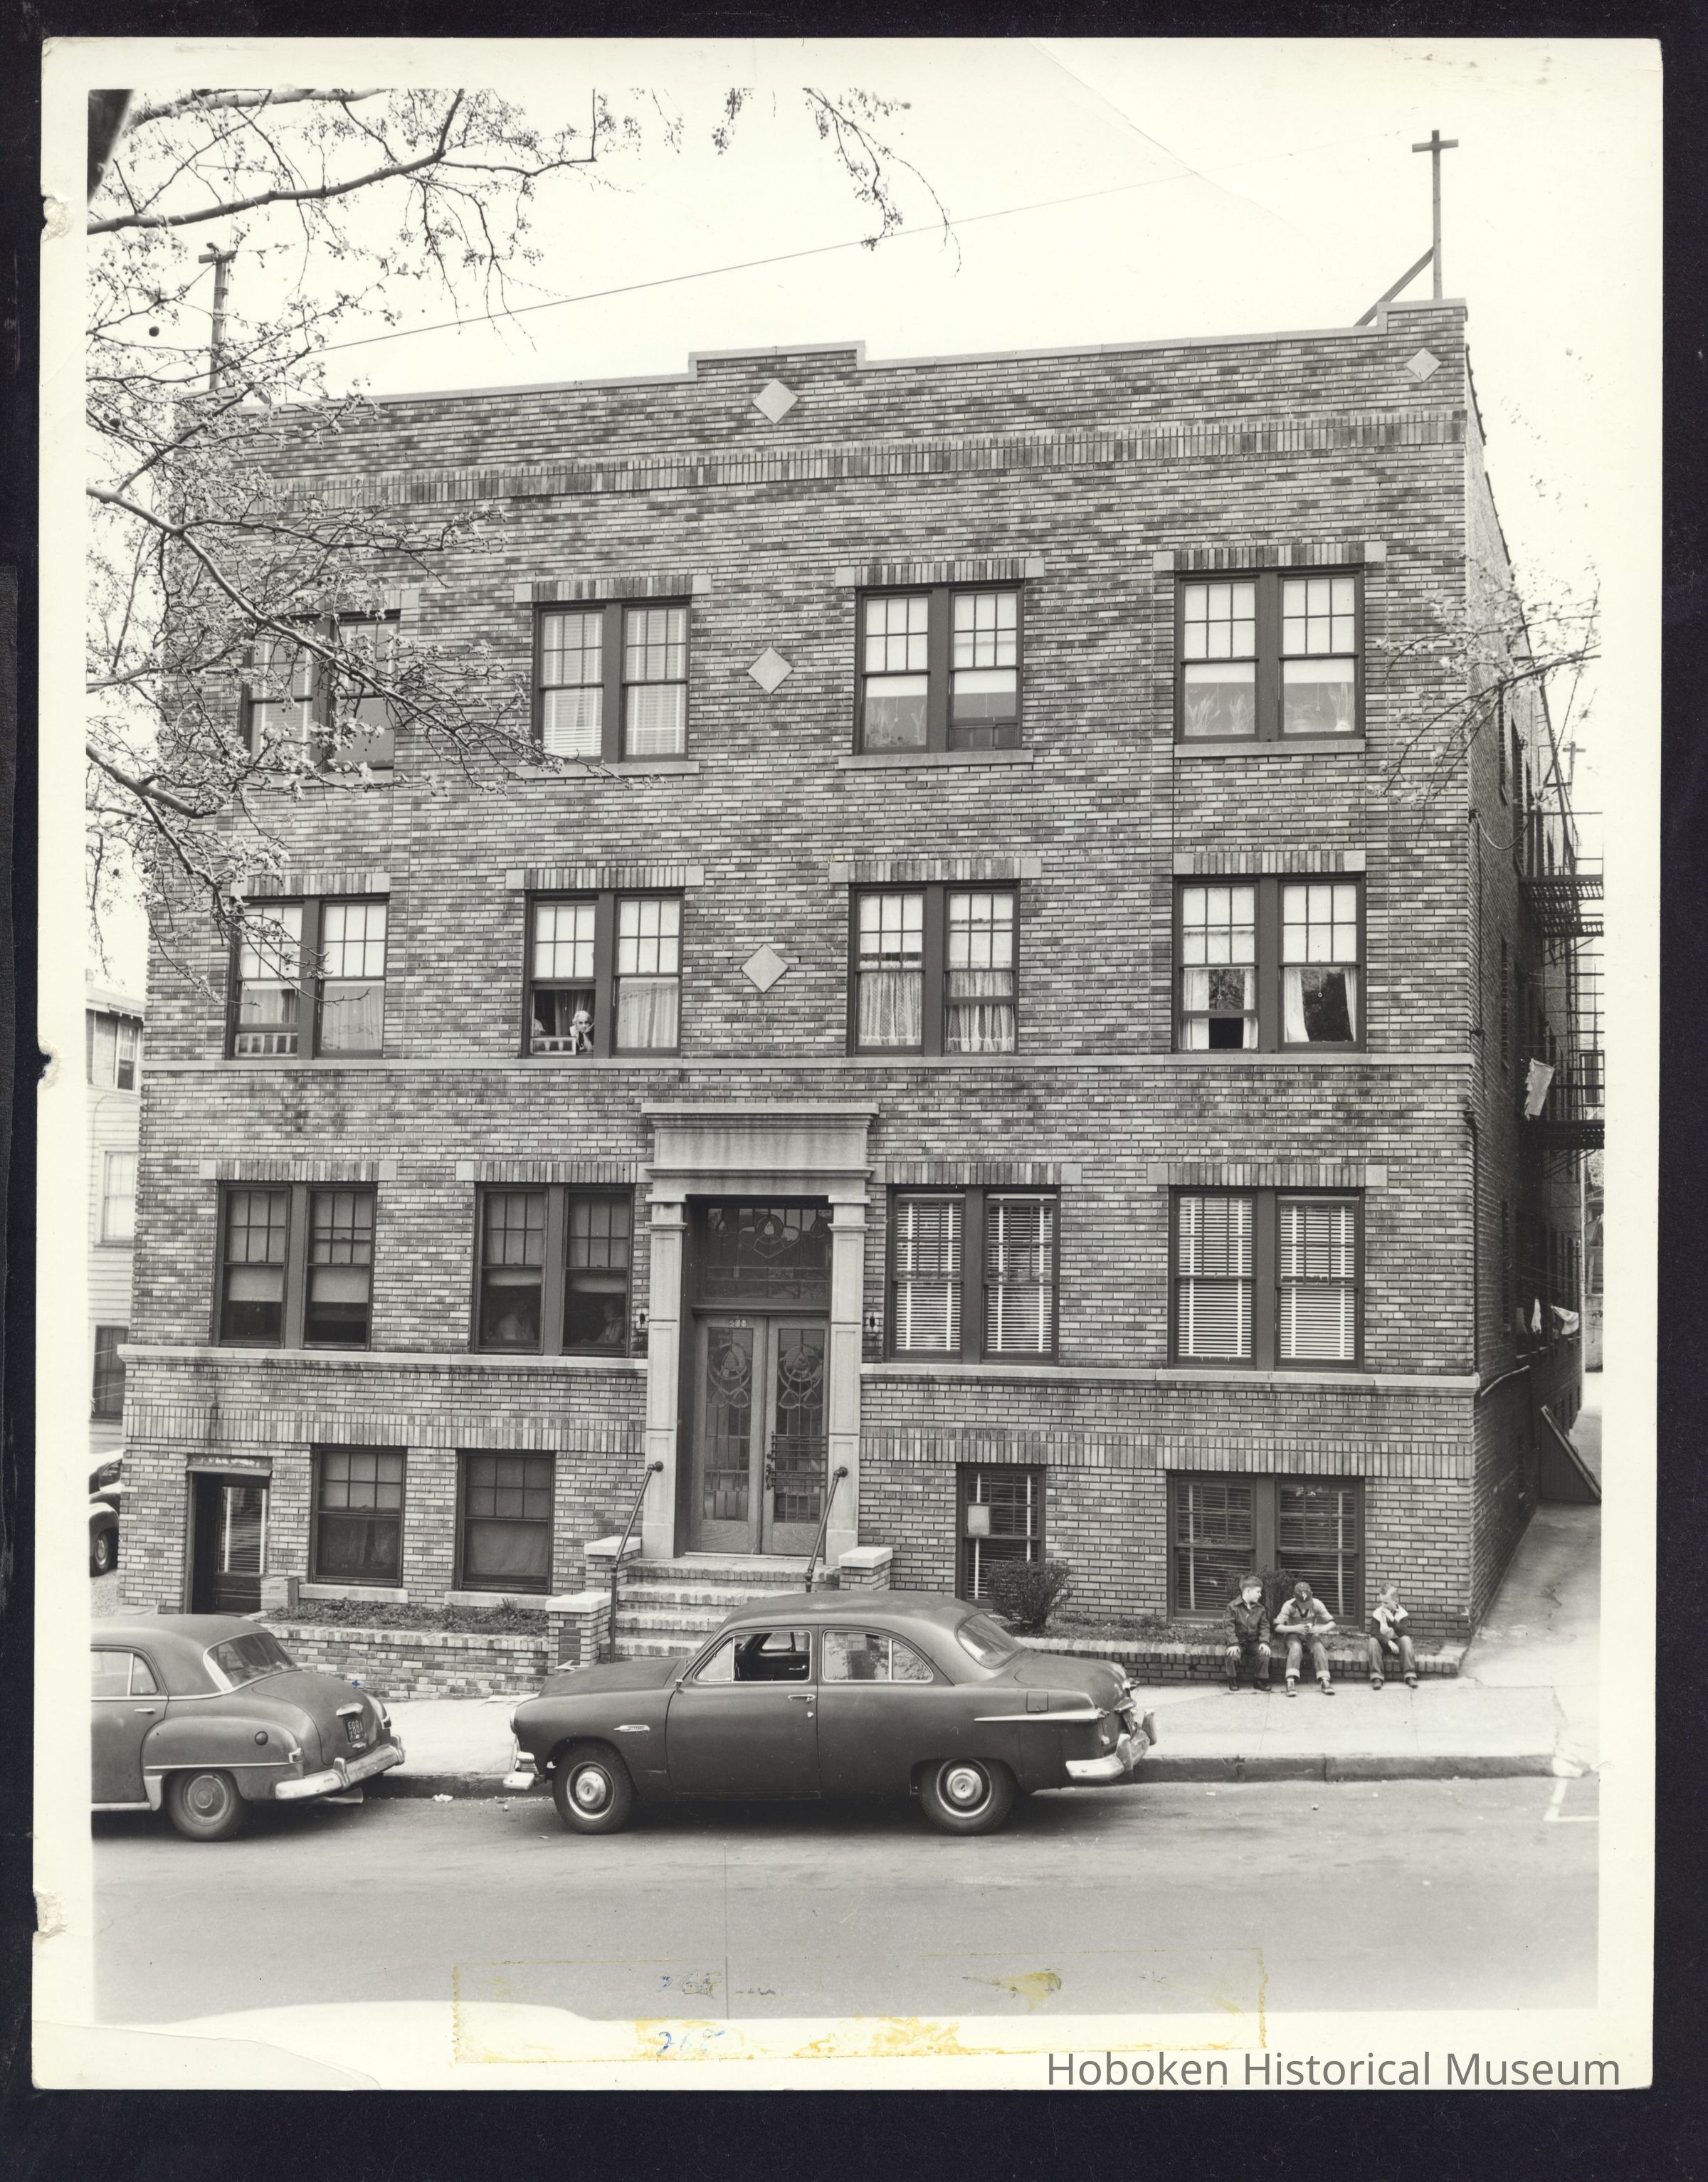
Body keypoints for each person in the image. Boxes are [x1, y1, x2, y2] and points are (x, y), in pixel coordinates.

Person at [1273, 1579, 1337, 1696]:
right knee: (1296, 1648)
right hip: (1293, 1635)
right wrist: (1295, 1628)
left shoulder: (1317, 1604)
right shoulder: (1288, 1605)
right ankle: (1290, 1681)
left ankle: (1325, 1680)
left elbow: (1332, 1622)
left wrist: (1321, 1629)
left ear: (1311, 1595)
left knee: (1319, 1647)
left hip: (1310, 1635)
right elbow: (1277, 1626)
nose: (1304, 1606)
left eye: (1307, 1602)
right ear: (1294, 1597)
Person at [1223, 1574, 1272, 1695]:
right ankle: (1232, 1679)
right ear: (1248, 1591)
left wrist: (1264, 1642)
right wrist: (1233, 1643)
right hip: (1238, 1641)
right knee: (1233, 1655)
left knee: (1263, 1653)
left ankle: (1259, 1680)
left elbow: (1265, 1626)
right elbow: (1229, 1627)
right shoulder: (1233, 1607)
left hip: (1253, 1642)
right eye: (1258, 1592)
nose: (1260, 1595)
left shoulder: (1260, 1609)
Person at [1367, 1583, 1419, 1690]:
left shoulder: (1403, 1614)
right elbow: (1374, 1633)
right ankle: (1377, 1677)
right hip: (1382, 1645)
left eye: (1386, 1603)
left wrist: (1393, 1620)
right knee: (1372, 1641)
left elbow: (1402, 1633)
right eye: (1381, 1602)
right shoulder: (1377, 1613)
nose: (1383, 1605)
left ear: (1396, 1601)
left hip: (1397, 1645)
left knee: (1406, 1640)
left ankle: (1410, 1675)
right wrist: (1388, 1642)